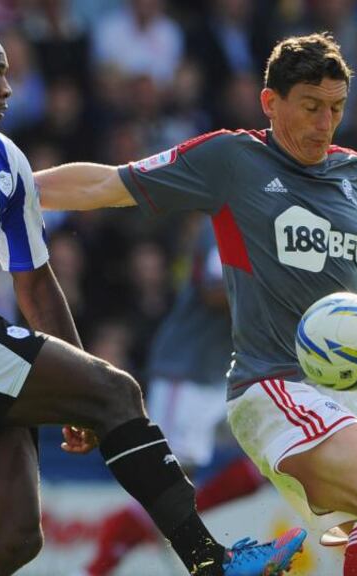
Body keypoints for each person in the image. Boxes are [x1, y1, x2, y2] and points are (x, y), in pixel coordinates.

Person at [36, 32, 357, 576]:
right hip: (271, 386)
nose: (323, 123)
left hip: (344, 399)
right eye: (310, 107)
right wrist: (14, 186)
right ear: (270, 102)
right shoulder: (233, 159)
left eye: (335, 108)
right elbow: (108, 184)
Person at [0, 19, 305, 576]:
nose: (8, 88)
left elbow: (35, 281)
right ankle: (212, 562)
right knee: (119, 392)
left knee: (12, 539)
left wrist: (77, 381)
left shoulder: (4, 159)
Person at [83, 220, 268, 576]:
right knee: (170, 484)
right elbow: (214, 293)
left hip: (223, 372)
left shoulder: (268, 225)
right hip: (185, 371)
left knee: (267, 460)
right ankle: (102, 559)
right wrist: (277, 292)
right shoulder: (223, 223)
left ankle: (144, 528)